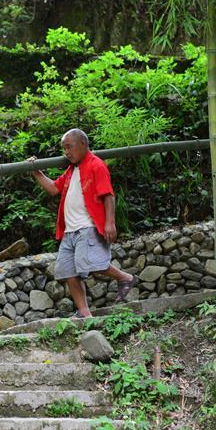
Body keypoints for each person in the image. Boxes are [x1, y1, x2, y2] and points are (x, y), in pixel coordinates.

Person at [27, 129, 137, 318]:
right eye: (64, 149)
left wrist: (110, 222)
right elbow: (54, 189)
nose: (66, 152)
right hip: (69, 230)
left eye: (69, 147)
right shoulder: (72, 169)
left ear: (83, 145)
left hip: (87, 225)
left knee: (93, 263)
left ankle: (125, 277)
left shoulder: (96, 165)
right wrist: (36, 172)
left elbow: (108, 195)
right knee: (69, 271)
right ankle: (85, 314)